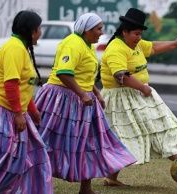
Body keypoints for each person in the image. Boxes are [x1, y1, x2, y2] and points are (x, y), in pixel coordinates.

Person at [34, 13, 137, 194]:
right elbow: (64, 73)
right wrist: (82, 94)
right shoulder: (73, 44)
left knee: (88, 142)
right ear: (86, 30)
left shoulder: (88, 45)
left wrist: (96, 93)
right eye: (98, 29)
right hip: (61, 100)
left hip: (83, 101)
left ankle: (86, 189)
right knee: (45, 141)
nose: (101, 33)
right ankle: (35, 182)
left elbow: (86, 75)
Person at [99, 8, 177, 186]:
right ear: (125, 32)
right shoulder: (116, 48)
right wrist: (142, 88)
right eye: (136, 34)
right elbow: (121, 76)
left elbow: (152, 47)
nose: (139, 38)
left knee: (159, 125)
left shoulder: (135, 44)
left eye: (140, 34)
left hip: (138, 95)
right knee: (127, 136)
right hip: (121, 98)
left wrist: (175, 44)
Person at [0, 10, 53, 193]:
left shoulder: (22, 47)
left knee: (32, 156)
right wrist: (17, 114)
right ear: (32, 31)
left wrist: (32, 109)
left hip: (16, 112)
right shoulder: (14, 48)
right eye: (39, 28)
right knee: (6, 160)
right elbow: (11, 84)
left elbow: (24, 85)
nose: (40, 32)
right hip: (5, 113)